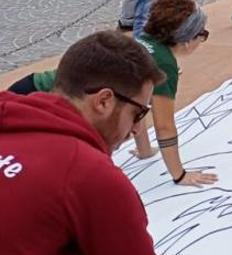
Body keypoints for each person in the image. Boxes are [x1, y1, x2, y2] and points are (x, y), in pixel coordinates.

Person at [6, 0, 218, 186]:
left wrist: (145, 151)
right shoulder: (164, 64)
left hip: (31, 87)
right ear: (187, 39)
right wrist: (179, 175)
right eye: (203, 34)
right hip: (42, 102)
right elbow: (164, 126)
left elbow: (136, 107)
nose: (202, 40)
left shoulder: (143, 41)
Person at [0, 31, 165, 254]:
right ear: (104, 101)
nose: (136, 130)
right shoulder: (89, 174)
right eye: (138, 114)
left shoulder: (10, 113)